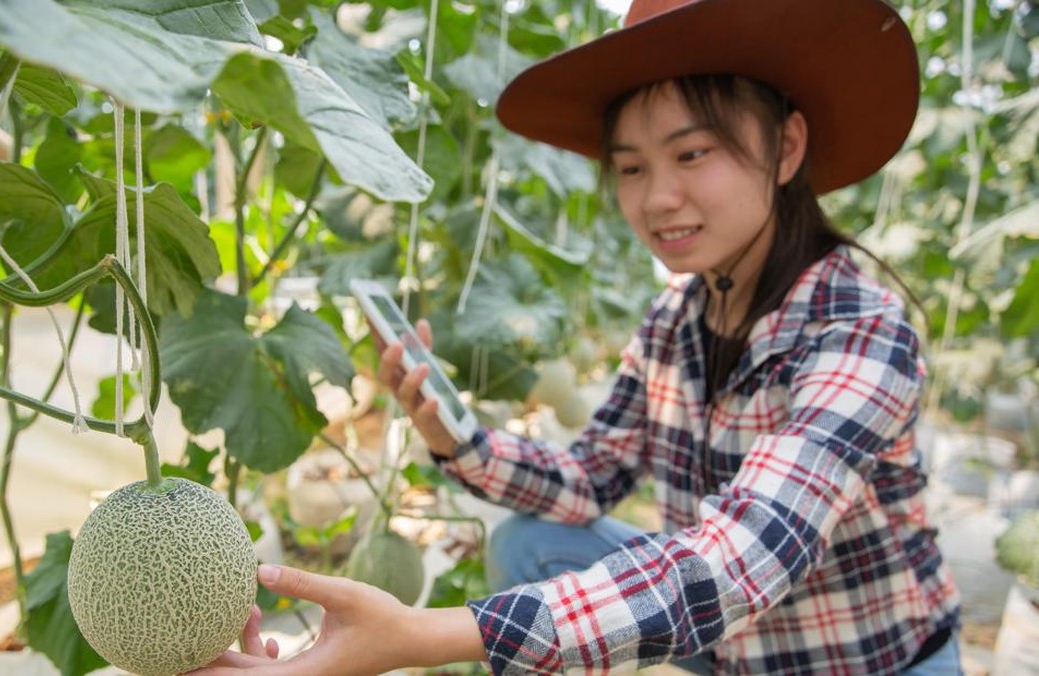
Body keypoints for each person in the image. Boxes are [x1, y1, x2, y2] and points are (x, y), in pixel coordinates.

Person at [190, 0, 962, 673]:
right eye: (630, 168)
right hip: (730, 644)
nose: (658, 197)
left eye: (692, 153)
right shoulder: (675, 321)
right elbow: (593, 476)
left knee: (638, 573)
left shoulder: (858, 327)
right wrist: (461, 444)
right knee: (529, 544)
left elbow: (741, 562)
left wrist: (420, 636)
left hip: (869, 660)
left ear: (786, 148)